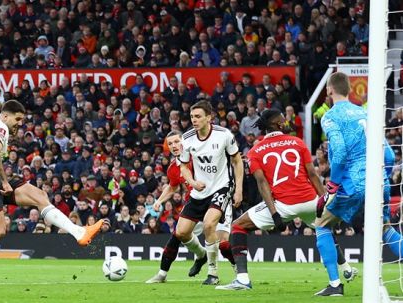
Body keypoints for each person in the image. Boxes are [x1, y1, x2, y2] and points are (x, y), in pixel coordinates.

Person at [0, 100, 104, 285]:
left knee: (40, 196)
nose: (19, 124)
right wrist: (4, 181)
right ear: (5, 115)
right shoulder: (0, 127)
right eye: (17, 119)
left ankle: (79, 233)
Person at [217, 109, 356, 291]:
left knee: (237, 226)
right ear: (277, 125)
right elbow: (313, 175)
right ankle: (345, 270)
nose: (287, 121)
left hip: (284, 205)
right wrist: (326, 202)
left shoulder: (255, 151)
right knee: (323, 230)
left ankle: (242, 279)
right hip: (309, 201)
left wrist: (275, 214)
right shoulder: (298, 142)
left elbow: (262, 183)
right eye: (283, 119)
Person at [314, 72, 403, 296]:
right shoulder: (366, 113)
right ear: (350, 89)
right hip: (378, 181)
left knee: (322, 224)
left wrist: (332, 186)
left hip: (351, 183)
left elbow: (341, 151)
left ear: (329, 90)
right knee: (385, 229)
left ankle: (335, 285)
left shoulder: (331, 116)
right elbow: (390, 156)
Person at [146, 131, 236, 284]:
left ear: (185, 141)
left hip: (217, 198)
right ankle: (194, 259)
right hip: (196, 201)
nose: (174, 146)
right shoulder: (174, 167)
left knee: (223, 243)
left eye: (177, 141)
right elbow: (172, 187)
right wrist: (159, 201)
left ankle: (238, 270)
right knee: (179, 233)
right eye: (171, 143)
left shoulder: (198, 155)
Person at [178, 100, 244, 285]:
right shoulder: (187, 138)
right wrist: (192, 182)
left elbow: (237, 161)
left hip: (221, 187)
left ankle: (213, 274)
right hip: (199, 190)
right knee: (181, 233)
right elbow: (183, 165)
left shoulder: (224, 135)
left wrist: (238, 190)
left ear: (209, 117)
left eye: (198, 116)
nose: (194, 120)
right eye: (192, 117)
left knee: (209, 225)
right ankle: (201, 255)